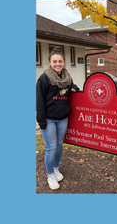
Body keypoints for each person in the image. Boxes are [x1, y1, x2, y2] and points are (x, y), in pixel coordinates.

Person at [36, 46, 79, 190]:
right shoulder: (44, 79)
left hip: (63, 118)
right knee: (51, 148)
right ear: (49, 62)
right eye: (54, 61)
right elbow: (40, 102)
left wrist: (74, 87)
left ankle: (55, 168)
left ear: (63, 62)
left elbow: (70, 86)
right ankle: (50, 175)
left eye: (60, 61)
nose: (57, 64)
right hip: (48, 119)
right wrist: (41, 122)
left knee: (59, 145)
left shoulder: (67, 77)